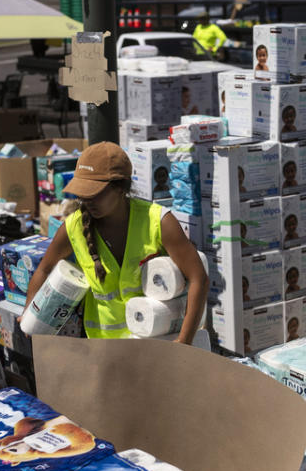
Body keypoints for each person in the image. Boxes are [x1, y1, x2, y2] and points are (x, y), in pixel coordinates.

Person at [22, 142, 207, 344]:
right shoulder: (73, 228)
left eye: (95, 193)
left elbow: (198, 278)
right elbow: (44, 269)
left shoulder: (159, 222)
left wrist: (184, 341)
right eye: (83, 194)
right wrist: (29, 311)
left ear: (121, 188)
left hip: (155, 344)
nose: (88, 200)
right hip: (104, 348)